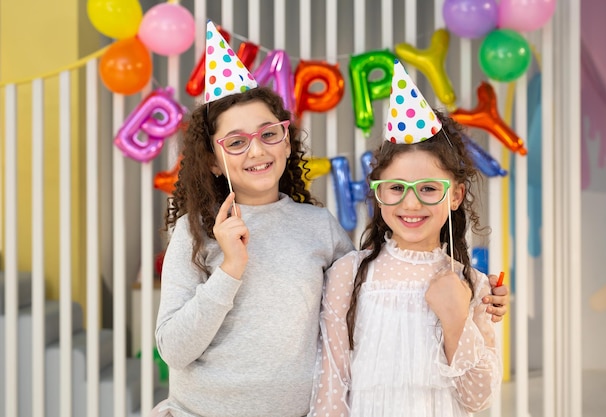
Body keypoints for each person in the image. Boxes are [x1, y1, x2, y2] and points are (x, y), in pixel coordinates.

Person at [153, 22, 508, 417]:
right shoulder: (195, 233)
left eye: (268, 133)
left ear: (287, 141)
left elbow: (374, 283)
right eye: (236, 142)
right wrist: (230, 270)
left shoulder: (317, 227)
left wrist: (480, 299)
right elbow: (173, 349)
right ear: (213, 162)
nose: (256, 150)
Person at [309, 61, 502, 417]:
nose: (410, 203)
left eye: (429, 188)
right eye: (396, 188)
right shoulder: (348, 275)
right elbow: (331, 385)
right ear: (377, 192)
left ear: (456, 196)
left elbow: (478, 399)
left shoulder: (471, 284)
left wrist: (456, 318)